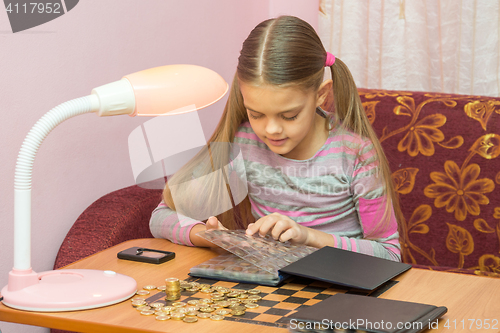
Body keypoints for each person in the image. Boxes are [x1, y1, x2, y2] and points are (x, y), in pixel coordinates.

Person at [150, 15, 402, 261]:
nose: (271, 130)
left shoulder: (354, 153)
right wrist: (209, 236)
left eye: (289, 115)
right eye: (257, 114)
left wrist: (308, 237)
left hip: (343, 289)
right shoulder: (245, 143)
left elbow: (389, 254)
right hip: (273, 288)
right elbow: (161, 217)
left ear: (321, 95)